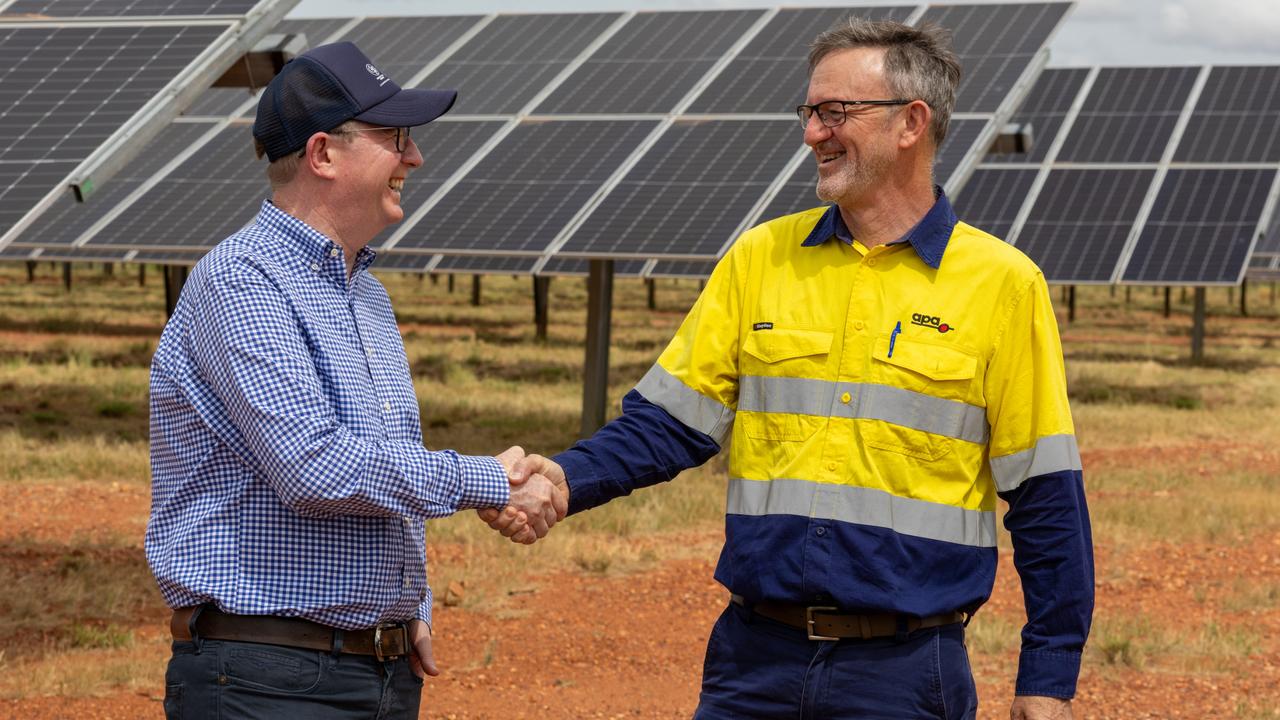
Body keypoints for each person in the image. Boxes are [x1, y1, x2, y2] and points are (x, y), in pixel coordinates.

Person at [489, 17, 1092, 720]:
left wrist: (1048, 677)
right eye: (809, 113)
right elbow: (667, 426)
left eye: (836, 113)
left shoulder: (1002, 284)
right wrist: (564, 479)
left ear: (911, 123)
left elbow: (1046, 494)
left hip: (903, 677)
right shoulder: (759, 258)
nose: (812, 133)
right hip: (753, 665)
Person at [146, 41, 565, 719]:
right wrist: (489, 478)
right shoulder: (243, 282)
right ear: (323, 154)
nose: (415, 157)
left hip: (373, 671)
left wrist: (409, 607)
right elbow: (315, 466)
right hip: (269, 681)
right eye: (395, 137)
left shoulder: (365, 293)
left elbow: (384, 459)